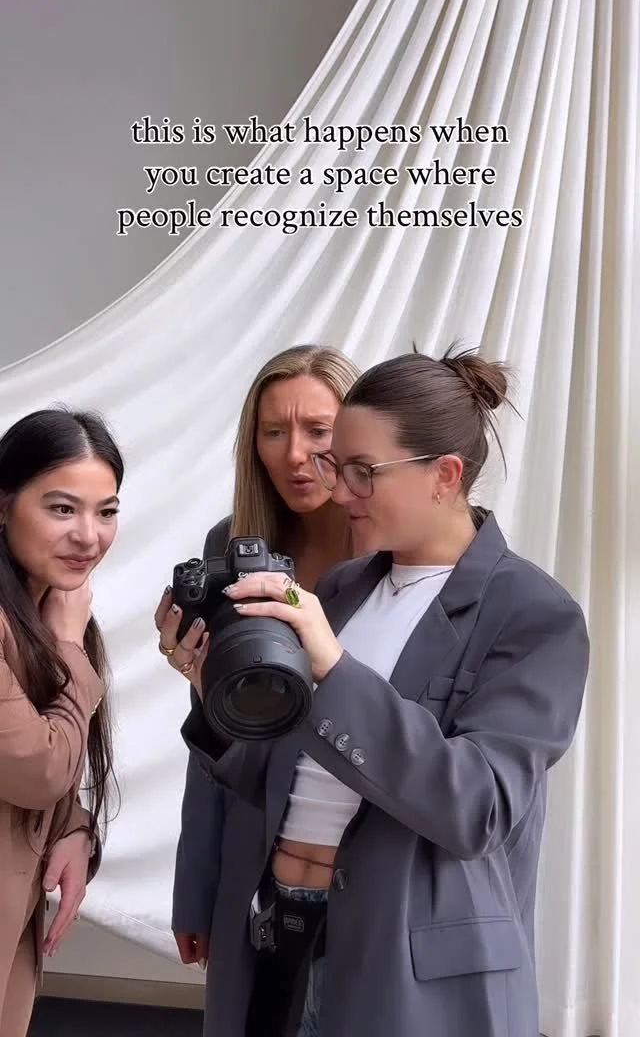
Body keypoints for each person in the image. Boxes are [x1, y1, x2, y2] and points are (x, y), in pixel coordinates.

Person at [163, 346, 590, 1037]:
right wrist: (210, 688)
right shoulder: (343, 589)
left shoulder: (534, 614)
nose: (338, 493)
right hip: (281, 937)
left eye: (362, 471)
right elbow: (276, 779)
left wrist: (333, 668)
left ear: (444, 476)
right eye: (339, 469)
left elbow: (477, 807)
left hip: (404, 971)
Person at [158, 343, 360, 979]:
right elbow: (214, 733)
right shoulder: (233, 547)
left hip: (367, 867)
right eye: (274, 432)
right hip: (256, 856)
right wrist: (196, 887)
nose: (295, 454)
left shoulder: (393, 551)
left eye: (318, 431)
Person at [0, 407, 122, 1037]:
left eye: (107, 511)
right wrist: (71, 648)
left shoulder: (46, 610)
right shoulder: (61, 627)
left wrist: (74, 827)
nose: (88, 536)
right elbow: (37, 767)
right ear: (3, 506)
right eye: (62, 509)